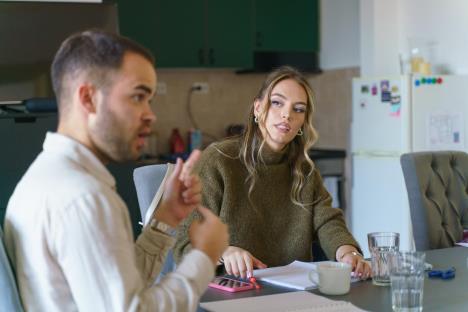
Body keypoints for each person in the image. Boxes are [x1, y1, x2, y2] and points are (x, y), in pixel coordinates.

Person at [3, 29, 228, 311]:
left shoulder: (44, 178)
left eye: (149, 100)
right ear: (88, 99)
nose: (150, 114)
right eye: (137, 97)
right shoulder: (85, 197)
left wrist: (166, 217)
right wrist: (205, 256)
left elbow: (116, 289)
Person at [174, 66, 371, 279]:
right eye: (277, 103)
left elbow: (326, 221)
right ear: (258, 109)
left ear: (303, 123)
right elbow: (185, 243)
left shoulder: (304, 171)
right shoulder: (219, 160)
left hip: (292, 292)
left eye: (298, 109)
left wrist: (347, 252)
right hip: (231, 293)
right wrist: (224, 252)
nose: (287, 114)